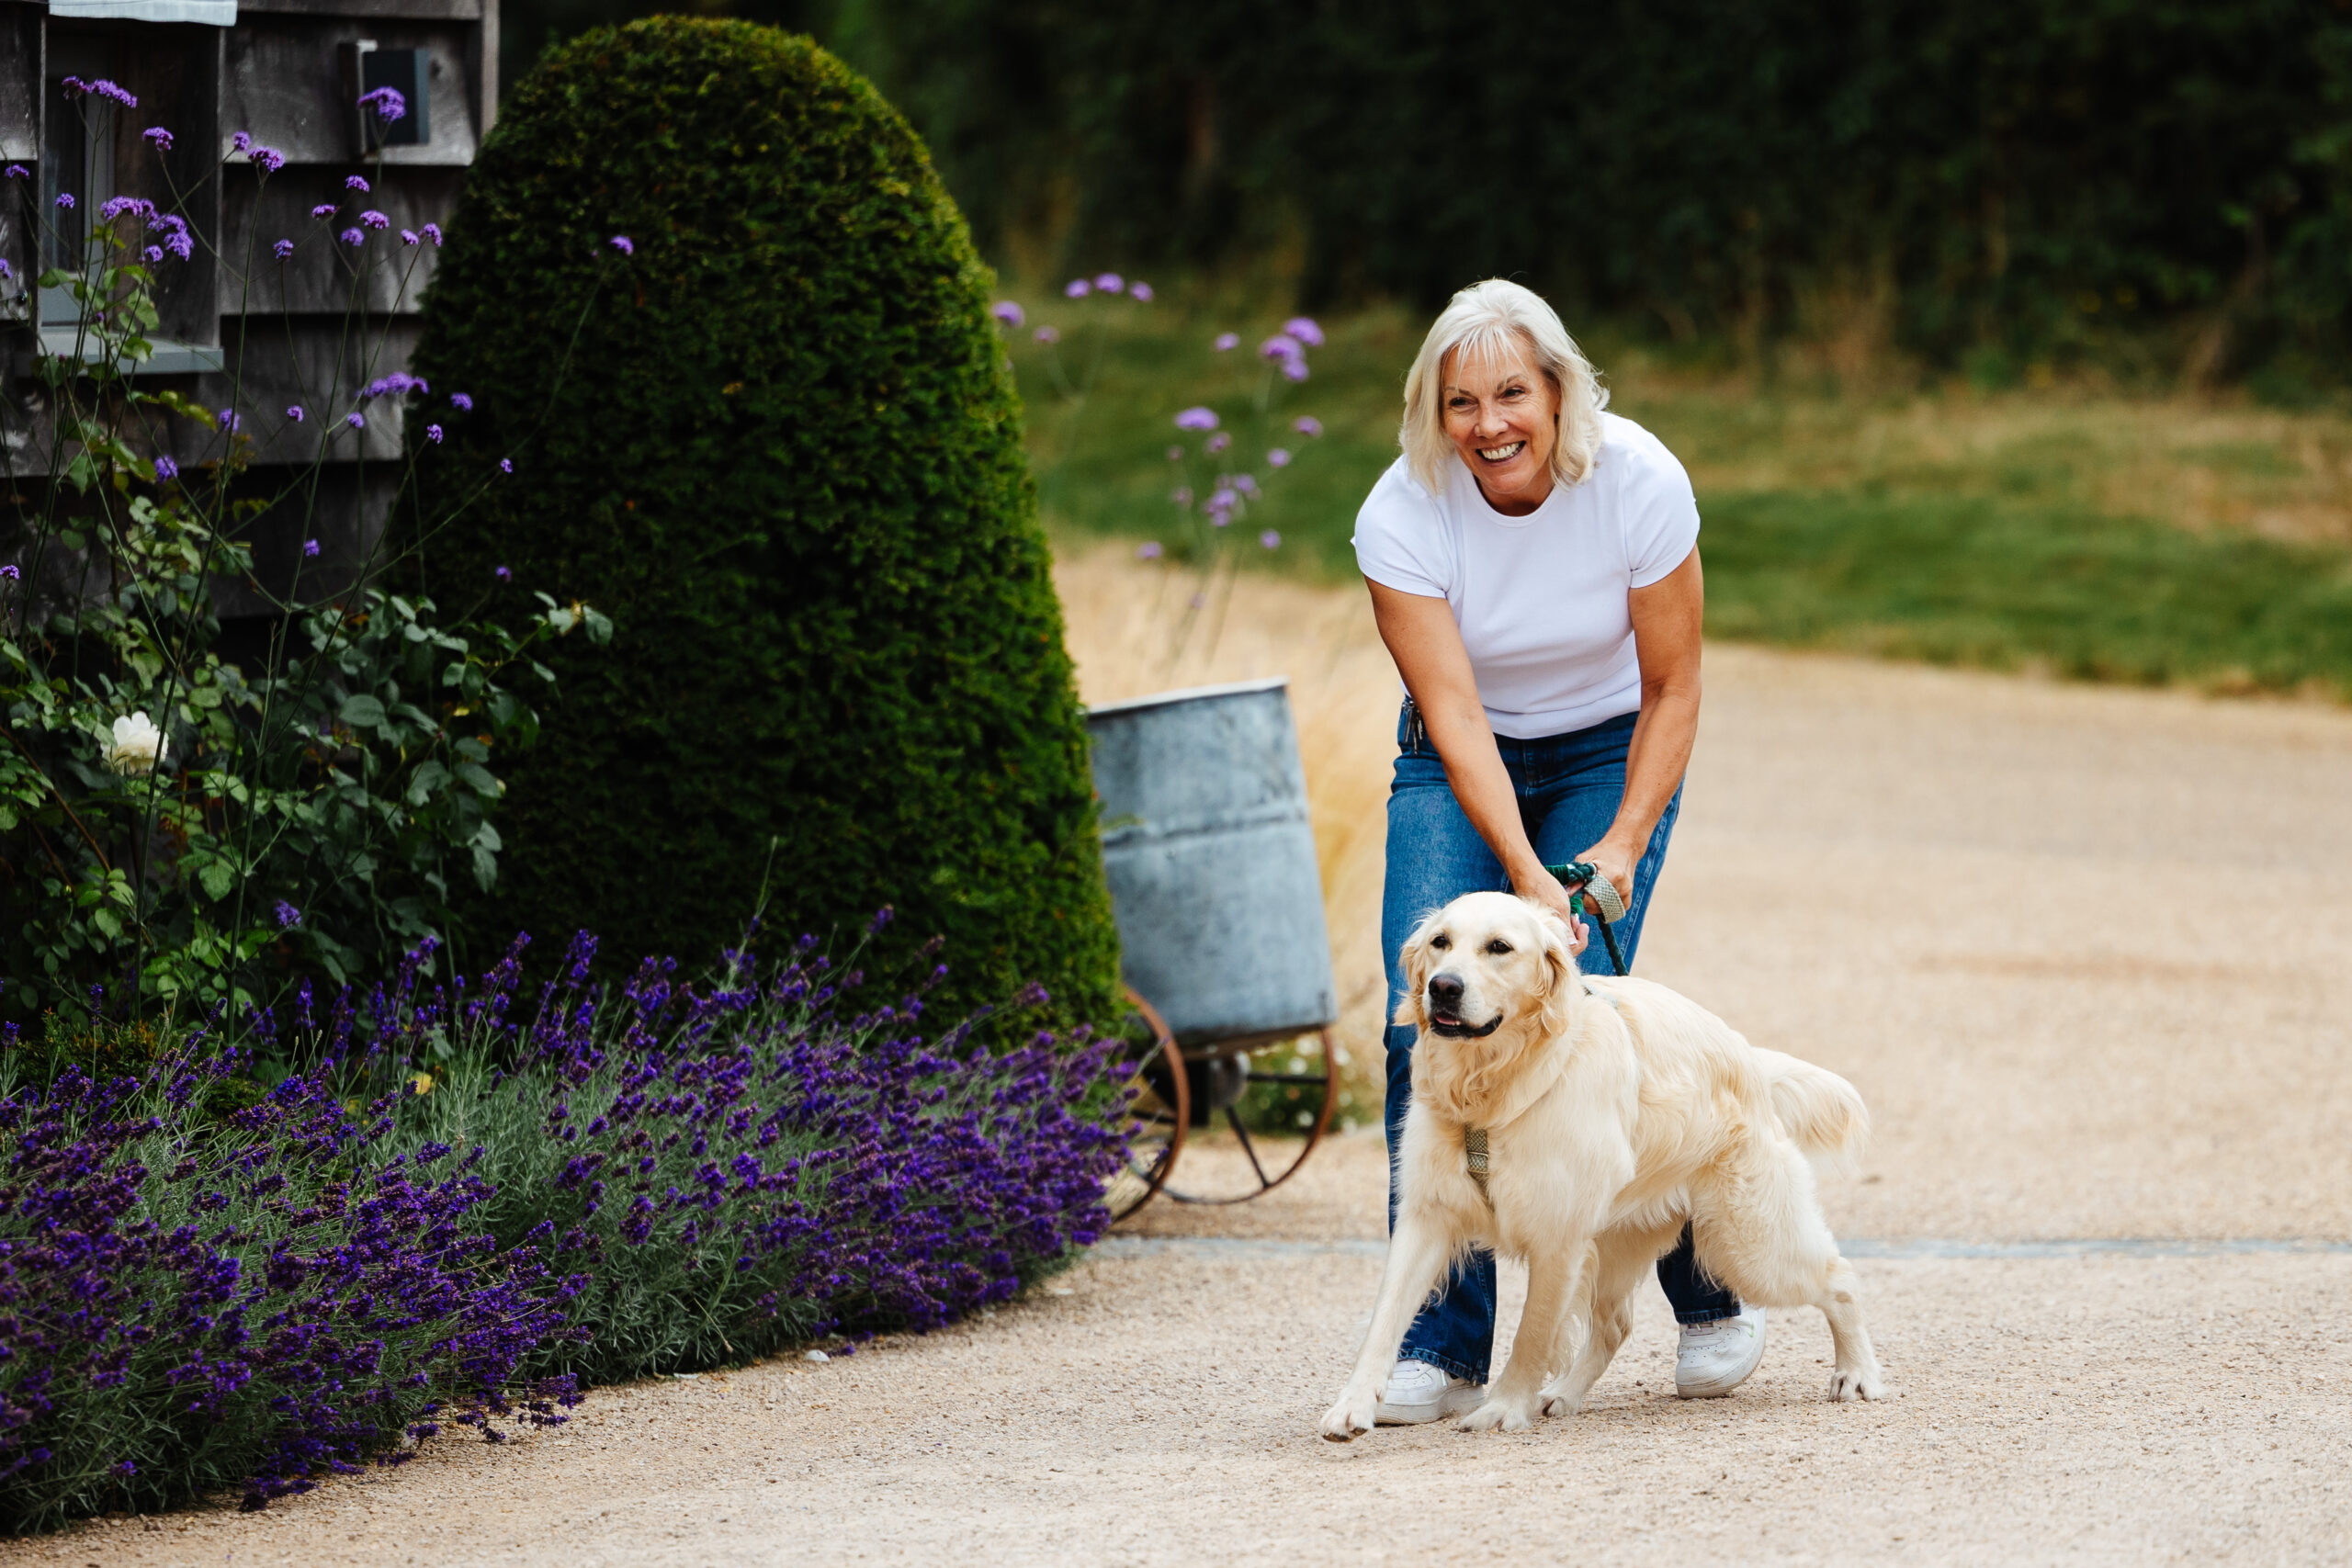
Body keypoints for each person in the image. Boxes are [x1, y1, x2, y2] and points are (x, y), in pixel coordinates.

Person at [1351, 277, 1762, 1423]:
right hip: (1456, 751)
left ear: (1559, 392)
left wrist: (1621, 844)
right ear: (1432, 412)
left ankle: (1716, 1297)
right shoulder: (1400, 512)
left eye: (1512, 394)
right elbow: (1453, 712)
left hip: (1607, 748)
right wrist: (1524, 881)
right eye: (1460, 401)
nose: (1488, 424)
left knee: (1581, 1026)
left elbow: (1677, 683)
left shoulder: (1637, 478)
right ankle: (1440, 1349)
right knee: (1428, 1015)